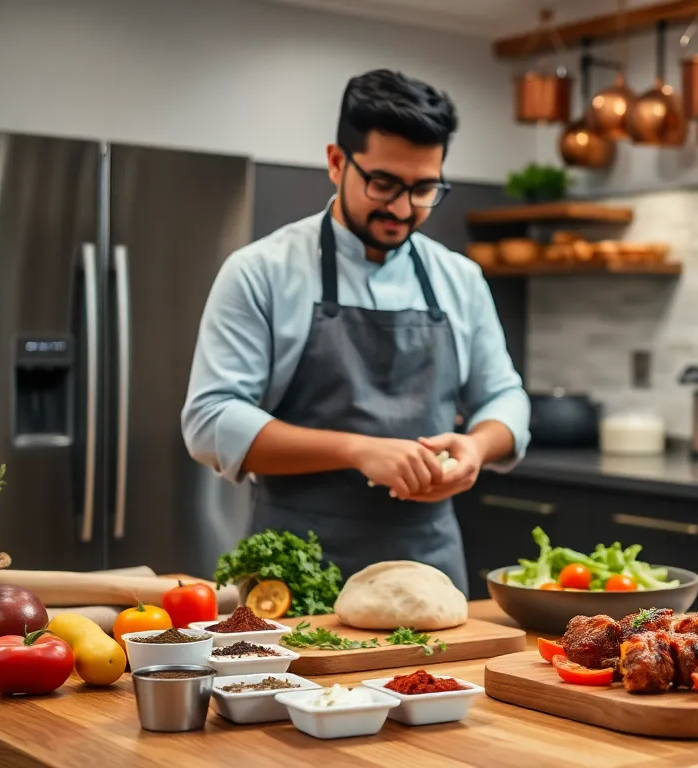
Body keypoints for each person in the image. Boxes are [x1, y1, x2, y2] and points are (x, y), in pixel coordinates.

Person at [181, 69, 529, 592]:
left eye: (425, 188)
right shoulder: (262, 271)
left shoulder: (459, 278)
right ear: (336, 162)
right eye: (384, 183)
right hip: (294, 574)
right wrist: (357, 449)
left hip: (429, 573)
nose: (403, 208)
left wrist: (477, 449)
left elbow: (505, 397)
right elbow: (210, 422)